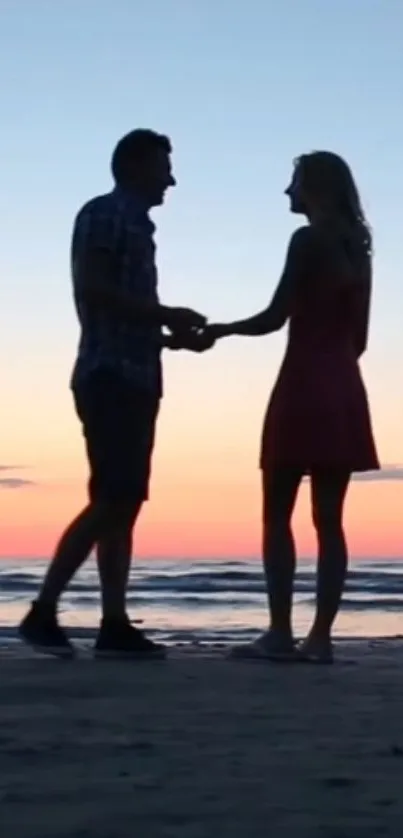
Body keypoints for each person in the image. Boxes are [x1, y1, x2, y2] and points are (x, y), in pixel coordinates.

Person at [19, 128, 213, 658]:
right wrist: (164, 315)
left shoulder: (134, 224)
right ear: (134, 166)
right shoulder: (106, 214)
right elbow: (95, 288)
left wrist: (168, 337)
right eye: (162, 167)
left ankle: (113, 622)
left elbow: (120, 305)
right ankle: (43, 611)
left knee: (123, 503)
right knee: (113, 498)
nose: (170, 179)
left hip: (135, 372)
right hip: (111, 375)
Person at [207, 151, 379, 663]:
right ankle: (321, 638)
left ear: (316, 188)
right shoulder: (359, 249)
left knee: (277, 513)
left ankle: (280, 631)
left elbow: (274, 316)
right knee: (330, 519)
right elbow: (361, 338)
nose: (287, 193)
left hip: (302, 383)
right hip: (345, 385)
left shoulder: (307, 240)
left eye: (294, 182)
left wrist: (220, 330)